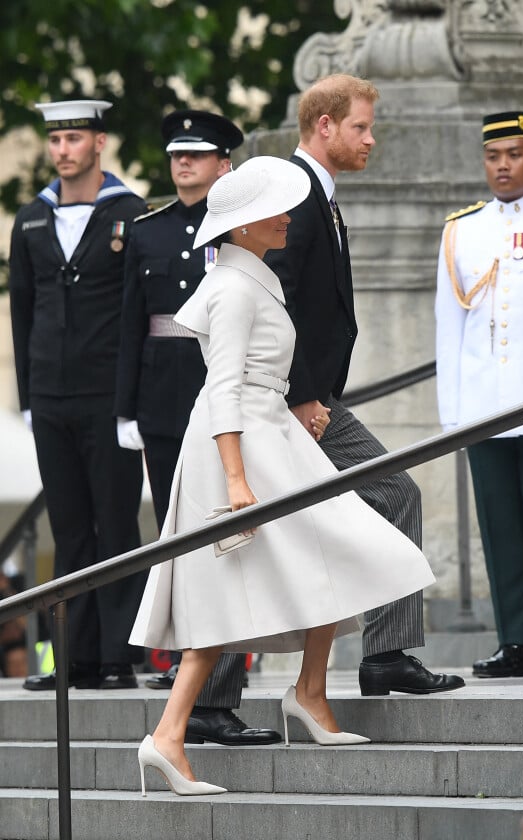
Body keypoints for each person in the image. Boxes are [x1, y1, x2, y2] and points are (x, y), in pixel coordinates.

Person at [130, 155, 435, 796]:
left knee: (333, 554)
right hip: (241, 448)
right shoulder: (236, 289)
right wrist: (237, 481)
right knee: (220, 603)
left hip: (271, 437)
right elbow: (222, 389)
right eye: (273, 210)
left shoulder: (252, 280)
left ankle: (307, 693)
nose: (287, 218)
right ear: (242, 226)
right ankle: (169, 736)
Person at [265, 73, 464, 697]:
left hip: (316, 399)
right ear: (324, 127)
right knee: (250, 536)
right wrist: (300, 395)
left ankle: (387, 654)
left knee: (394, 493)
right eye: (360, 127)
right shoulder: (294, 194)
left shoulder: (318, 195)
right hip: (286, 402)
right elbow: (278, 300)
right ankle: (212, 699)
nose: (370, 140)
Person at [115, 109, 280, 745]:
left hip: (221, 398)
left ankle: (222, 682)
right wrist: (125, 408)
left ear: (222, 163)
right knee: (177, 541)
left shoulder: (240, 226)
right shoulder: (148, 230)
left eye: (197, 154)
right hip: (163, 396)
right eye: (177, 155)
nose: (183, 163)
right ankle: (186, 663)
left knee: (233, 541)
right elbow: (133, 322)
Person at [435, 110, 523, 678]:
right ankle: (514, 640)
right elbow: (450, 326)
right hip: (484, 404)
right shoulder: (461, 230)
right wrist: (455, 414)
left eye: (514, 154)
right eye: (494, 156)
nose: (503, 165)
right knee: (498, 523)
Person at [9, 99, 147, 690]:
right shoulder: (31, 219)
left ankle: (115, 657)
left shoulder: (130, 212)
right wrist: (28, 397)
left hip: (107, 396)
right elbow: (22, 310)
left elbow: (138, 313)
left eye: (74, 138)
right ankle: (71, 659)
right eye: (56, 139)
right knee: (69, 527)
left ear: (99, 144)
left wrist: (131, 401)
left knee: (114, 524)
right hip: (51, 395)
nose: (63, 149)